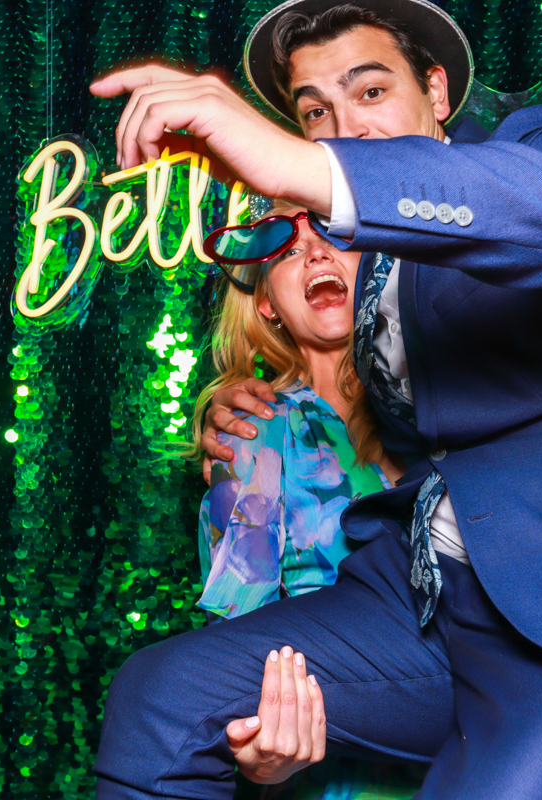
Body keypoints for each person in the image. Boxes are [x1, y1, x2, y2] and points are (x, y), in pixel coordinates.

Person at [89, 1, 542, 798]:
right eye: (314, 112)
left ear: (438, 91)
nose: (342, 126)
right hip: (426, 607)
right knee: (164, 695)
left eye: (370, 91)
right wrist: (237, 396)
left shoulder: (531, 143)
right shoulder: (357, 274)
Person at [186, 199, 424, 798]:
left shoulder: (470, 399)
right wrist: (263, 757)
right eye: (287, 250)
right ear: (266, 301)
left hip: (495, 749)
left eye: (333, 233)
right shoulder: (256, 434)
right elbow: (241, 654)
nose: (315, 251)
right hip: (342, 771)